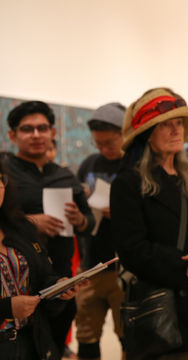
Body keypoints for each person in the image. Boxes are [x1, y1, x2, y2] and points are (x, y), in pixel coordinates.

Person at [110, 87, 188, 359]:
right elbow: (134, 250)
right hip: (163, 316)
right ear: (147, 135)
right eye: (165, 126)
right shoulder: (129, 183)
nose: (175, 131)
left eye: (179, 123)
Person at [4, 100, 95, 354]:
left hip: (62, 280)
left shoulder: (65, 175)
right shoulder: (5, 174)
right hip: (18, 285)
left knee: (55, 346)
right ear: (12, 135)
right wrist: (32, 221)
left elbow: (89, 223)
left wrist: (80, 220)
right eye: (27, 129)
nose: (36, 135)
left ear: (53, 133)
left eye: (42, 128)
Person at [0, 161, 79, 359]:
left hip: (32, 341)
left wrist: (58, 288)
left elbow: (42, 275)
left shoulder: (19, 227)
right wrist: (6, 308)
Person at [74, 102, 126, 359]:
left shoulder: (135, 165)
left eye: (110, 143)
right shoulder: (89, 164)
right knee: (86, 333)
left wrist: (122, 211)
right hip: (91, 265)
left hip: (124, 267)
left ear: (124, 133)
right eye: (98, 143)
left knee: (127, 333)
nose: (104, 149)